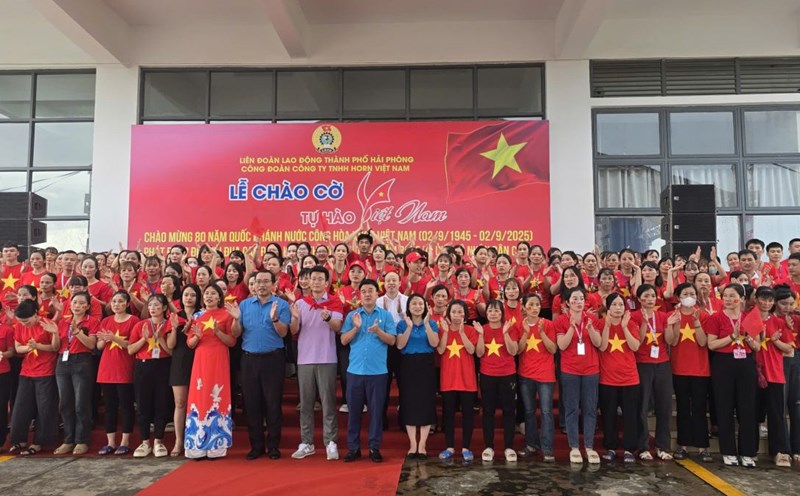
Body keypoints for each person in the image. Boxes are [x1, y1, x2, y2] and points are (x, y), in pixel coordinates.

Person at [231, 270, 290, 460]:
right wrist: (234, 318)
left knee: (273, 403)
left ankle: (273, 445)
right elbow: (236, 333)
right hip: (249, 359)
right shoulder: (244, 305)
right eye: (258, 282)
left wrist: (274, 318)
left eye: (266, 281)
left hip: (273, 359)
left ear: (273, 284)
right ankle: (256, 445)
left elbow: (283, 333)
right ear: (253, 285)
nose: (262, 285)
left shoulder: (281, 304)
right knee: (252, 403)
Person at [288, 266, 344, 461]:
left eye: (321, 279)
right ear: (309, 282)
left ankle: (330, 442)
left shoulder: (334, 302)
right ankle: (307, 442)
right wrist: (294, 318)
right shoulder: (301, 304)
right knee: (306, 404)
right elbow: (294, 331)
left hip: (327, 358)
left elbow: (337, 328)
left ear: (327, 283)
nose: (317, 282)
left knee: (328, 403)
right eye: (314, 279)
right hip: (305, 360)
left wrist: (328, 317)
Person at [340, 279, 398, 463]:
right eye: (363, 291)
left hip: (378, 372)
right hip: (355, 371)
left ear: (377, 293)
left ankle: (374, 448)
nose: (367, 294)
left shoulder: (386, 316)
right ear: (359, 294)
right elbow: (343, 341)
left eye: (370, 290)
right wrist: (356, 328)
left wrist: (378, 331)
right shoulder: (352, 316)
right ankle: (353, 448)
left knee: (376, 412)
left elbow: (392, 341)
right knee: (354, 412)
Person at [706, 284, 760, 466]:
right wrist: (732, 337)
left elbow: (758, 346)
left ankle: (748, 452)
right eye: (725, 296)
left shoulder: (750, 318)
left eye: (732, 296)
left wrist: (747, 338)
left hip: (745, 363)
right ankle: (728, 451)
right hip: (723, 363)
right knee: (724, 407)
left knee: (747, 408)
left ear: (742, 298)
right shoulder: (716, 318)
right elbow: (711, 344)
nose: (728, 299)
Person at [184, 285, 237, 459]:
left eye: (213, 293)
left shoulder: (226, 314)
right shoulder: (197, 316)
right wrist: (198, 336)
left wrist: (217, 332)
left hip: (219, 360)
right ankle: (196, 444)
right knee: (199, 397)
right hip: (200, 361)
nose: (209, 296)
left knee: (216, 396)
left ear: (219, 297)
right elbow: (190, 344)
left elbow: (231, 341)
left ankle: (216, 444)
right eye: (206, 293)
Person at [555, 287, 602, 464]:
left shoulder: (592, 319)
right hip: (570, 370)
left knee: (590, 408)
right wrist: (571, 329)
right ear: (568, 302)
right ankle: (574, 446)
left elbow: (598, 343)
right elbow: (562, 345)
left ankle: (589, 446)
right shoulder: (561, 320)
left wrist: (590, 329)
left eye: (581, 298)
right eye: (574, 299)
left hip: (591, 369)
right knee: (572, 408)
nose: (578, 302)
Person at [667, 282, 712, 462]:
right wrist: (676, 322)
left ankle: (703, 447)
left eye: (692, 293)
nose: (689, 296)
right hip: (679, 369)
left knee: (700, 409)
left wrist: (696, 322)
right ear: (679, 297)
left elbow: (703, 342)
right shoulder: (673, 316)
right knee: (684, 408)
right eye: (685, 293)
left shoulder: (704, 315)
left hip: (701, 370)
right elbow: (673, 341)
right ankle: (683, 445)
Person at [8, 300, 59, 455]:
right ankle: (19, 439)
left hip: (45, 371)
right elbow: (18, 348)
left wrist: (39, 346)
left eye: (26, 320)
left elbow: (55, 347)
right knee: (21, 407)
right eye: (21, 321)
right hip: (26, 371)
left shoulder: (47, 324)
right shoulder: (19, 327)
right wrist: (29, 347)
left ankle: (39, 442)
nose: (24, 324)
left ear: (36, 314)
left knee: (44, 408)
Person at [632, 284, 675, 461]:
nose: (650, 299)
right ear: (640, 298)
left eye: (652, 296)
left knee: (664, 406)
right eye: (646, 296)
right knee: (642, 407)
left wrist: (671, 325)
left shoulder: (663, 316)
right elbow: (637, 341)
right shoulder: (634, 316)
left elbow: (670, 340)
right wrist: (643, 323)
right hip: (642, 364)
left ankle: (663, 446)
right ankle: (642, 446)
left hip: (662, 364)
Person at [128, 294, 174, 458]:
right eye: (151, 305)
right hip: (143, 366)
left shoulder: (168, 325)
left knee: (162, 402)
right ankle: (145, 441)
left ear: (164, 308)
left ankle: (158, 441)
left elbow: (171, 351)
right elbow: (131, 350)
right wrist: (144, 339)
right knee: (142, 404)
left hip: (162, 365)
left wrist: (160, 338)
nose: (153, 308)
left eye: (157, 305)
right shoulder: (141, 325)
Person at [54, 291, 99, 455]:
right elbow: (56, 345)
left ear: (87, 306)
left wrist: (77, 332)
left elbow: (91, 344)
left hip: (82, 360)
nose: (77, 306)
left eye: (81, 303)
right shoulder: (63, 322)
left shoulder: (92, 321)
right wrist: (53, 333)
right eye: (74, 303)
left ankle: (82, 439)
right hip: (63, 361)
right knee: (65, 403)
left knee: (81, 403)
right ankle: (68, 439)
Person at [597, 293, 641, 463]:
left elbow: (635, 346)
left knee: (630, 415)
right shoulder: (601, 324)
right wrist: (608, 326)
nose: (618, 308)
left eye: (621, 305)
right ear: (608, 307)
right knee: (609, 415)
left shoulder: (631, 324)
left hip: (629, 378)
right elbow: (601, 346)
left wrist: (623, 327)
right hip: (607, 379)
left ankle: (630, 449)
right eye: (614, 305)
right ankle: (611, 447)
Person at [396, 294, 439, 459]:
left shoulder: (432, 323)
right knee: (410, 402)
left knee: (426, 402)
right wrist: (408, 327)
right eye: (414, 303)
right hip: (408, 364)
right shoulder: (401, 324)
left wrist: (427, 324)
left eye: (420, 304)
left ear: (425, 307)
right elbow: (400, 345)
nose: (417, 306)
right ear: (409, 307)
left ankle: (422, 445)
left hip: (426, 364)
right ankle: (413, 444)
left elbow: (434, 343)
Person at [476, 299, 520, 462]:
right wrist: (480, 335)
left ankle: (509, 447)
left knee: (509, 410)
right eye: (490, 311)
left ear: (502, 313)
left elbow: (513, 351)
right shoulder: (483, 329)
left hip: (507, 374)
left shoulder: (510, 327)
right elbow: (479, 353)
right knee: (488, 411)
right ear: (486, 314)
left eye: (497, 311)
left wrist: (506, 333)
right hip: (487, 374)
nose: (493, 313)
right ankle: (489, 446)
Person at [96, 291, 139, 455]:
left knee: (126, 406)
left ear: (127, 304)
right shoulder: (106, 321)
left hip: (124, 368)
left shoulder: (134, 321)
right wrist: (104, 339)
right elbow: (99, 346)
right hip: (106, 369)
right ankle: (111, 442)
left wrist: (113, 338)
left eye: (120, 301)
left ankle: (125, 441)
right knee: (110, 407)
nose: (116, 304)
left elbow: (132, 345)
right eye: (113, 301)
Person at [756, 286, 794, 466]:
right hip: (753, 373)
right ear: (756, 300)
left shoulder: (779, 322)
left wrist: (775, 340)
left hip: (774, 373)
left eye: (770, 300)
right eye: (763, 299)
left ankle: (780, 451)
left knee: (776, 414)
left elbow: (790, 351)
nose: (766, 303)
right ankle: (749, 450)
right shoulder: (749, 319)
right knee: (752, 413)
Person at [516, 294, 557, 462]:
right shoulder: (519, 325)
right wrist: (526, 333)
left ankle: (547, 448)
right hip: (526, 374)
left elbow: (553, 349)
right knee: (529, 411)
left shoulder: (547, 324)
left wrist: (542, 334)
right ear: (524, 307)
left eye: (537, 304)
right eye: (530, 304)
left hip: (545, 375)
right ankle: (531, 445)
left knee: (547, 412)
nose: (534, 307)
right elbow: (517, 351)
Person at [437, 300, 478, 462]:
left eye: (460, 312)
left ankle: (466, 447)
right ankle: (449, 447)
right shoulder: (442, 330)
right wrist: (446, 332)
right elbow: (440, 350)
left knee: (468, 414)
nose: (456, 315)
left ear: (465, 314)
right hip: (448, 378)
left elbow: (471, 350)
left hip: (467, 379)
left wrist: (461, 333)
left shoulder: (470, 330)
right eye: (453, 312)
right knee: (448, 414)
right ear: (448, 314)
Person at [166, 284, 201, 457]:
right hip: (179, 362)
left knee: (199, 404)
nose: (189, 298)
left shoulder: (203, 315)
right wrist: (175, 329)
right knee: (180, 403)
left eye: (193, 295)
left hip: (200, 361)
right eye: (186, 295)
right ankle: (179, 441)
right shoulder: (175, 317)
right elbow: (170, 346)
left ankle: (196, 439)